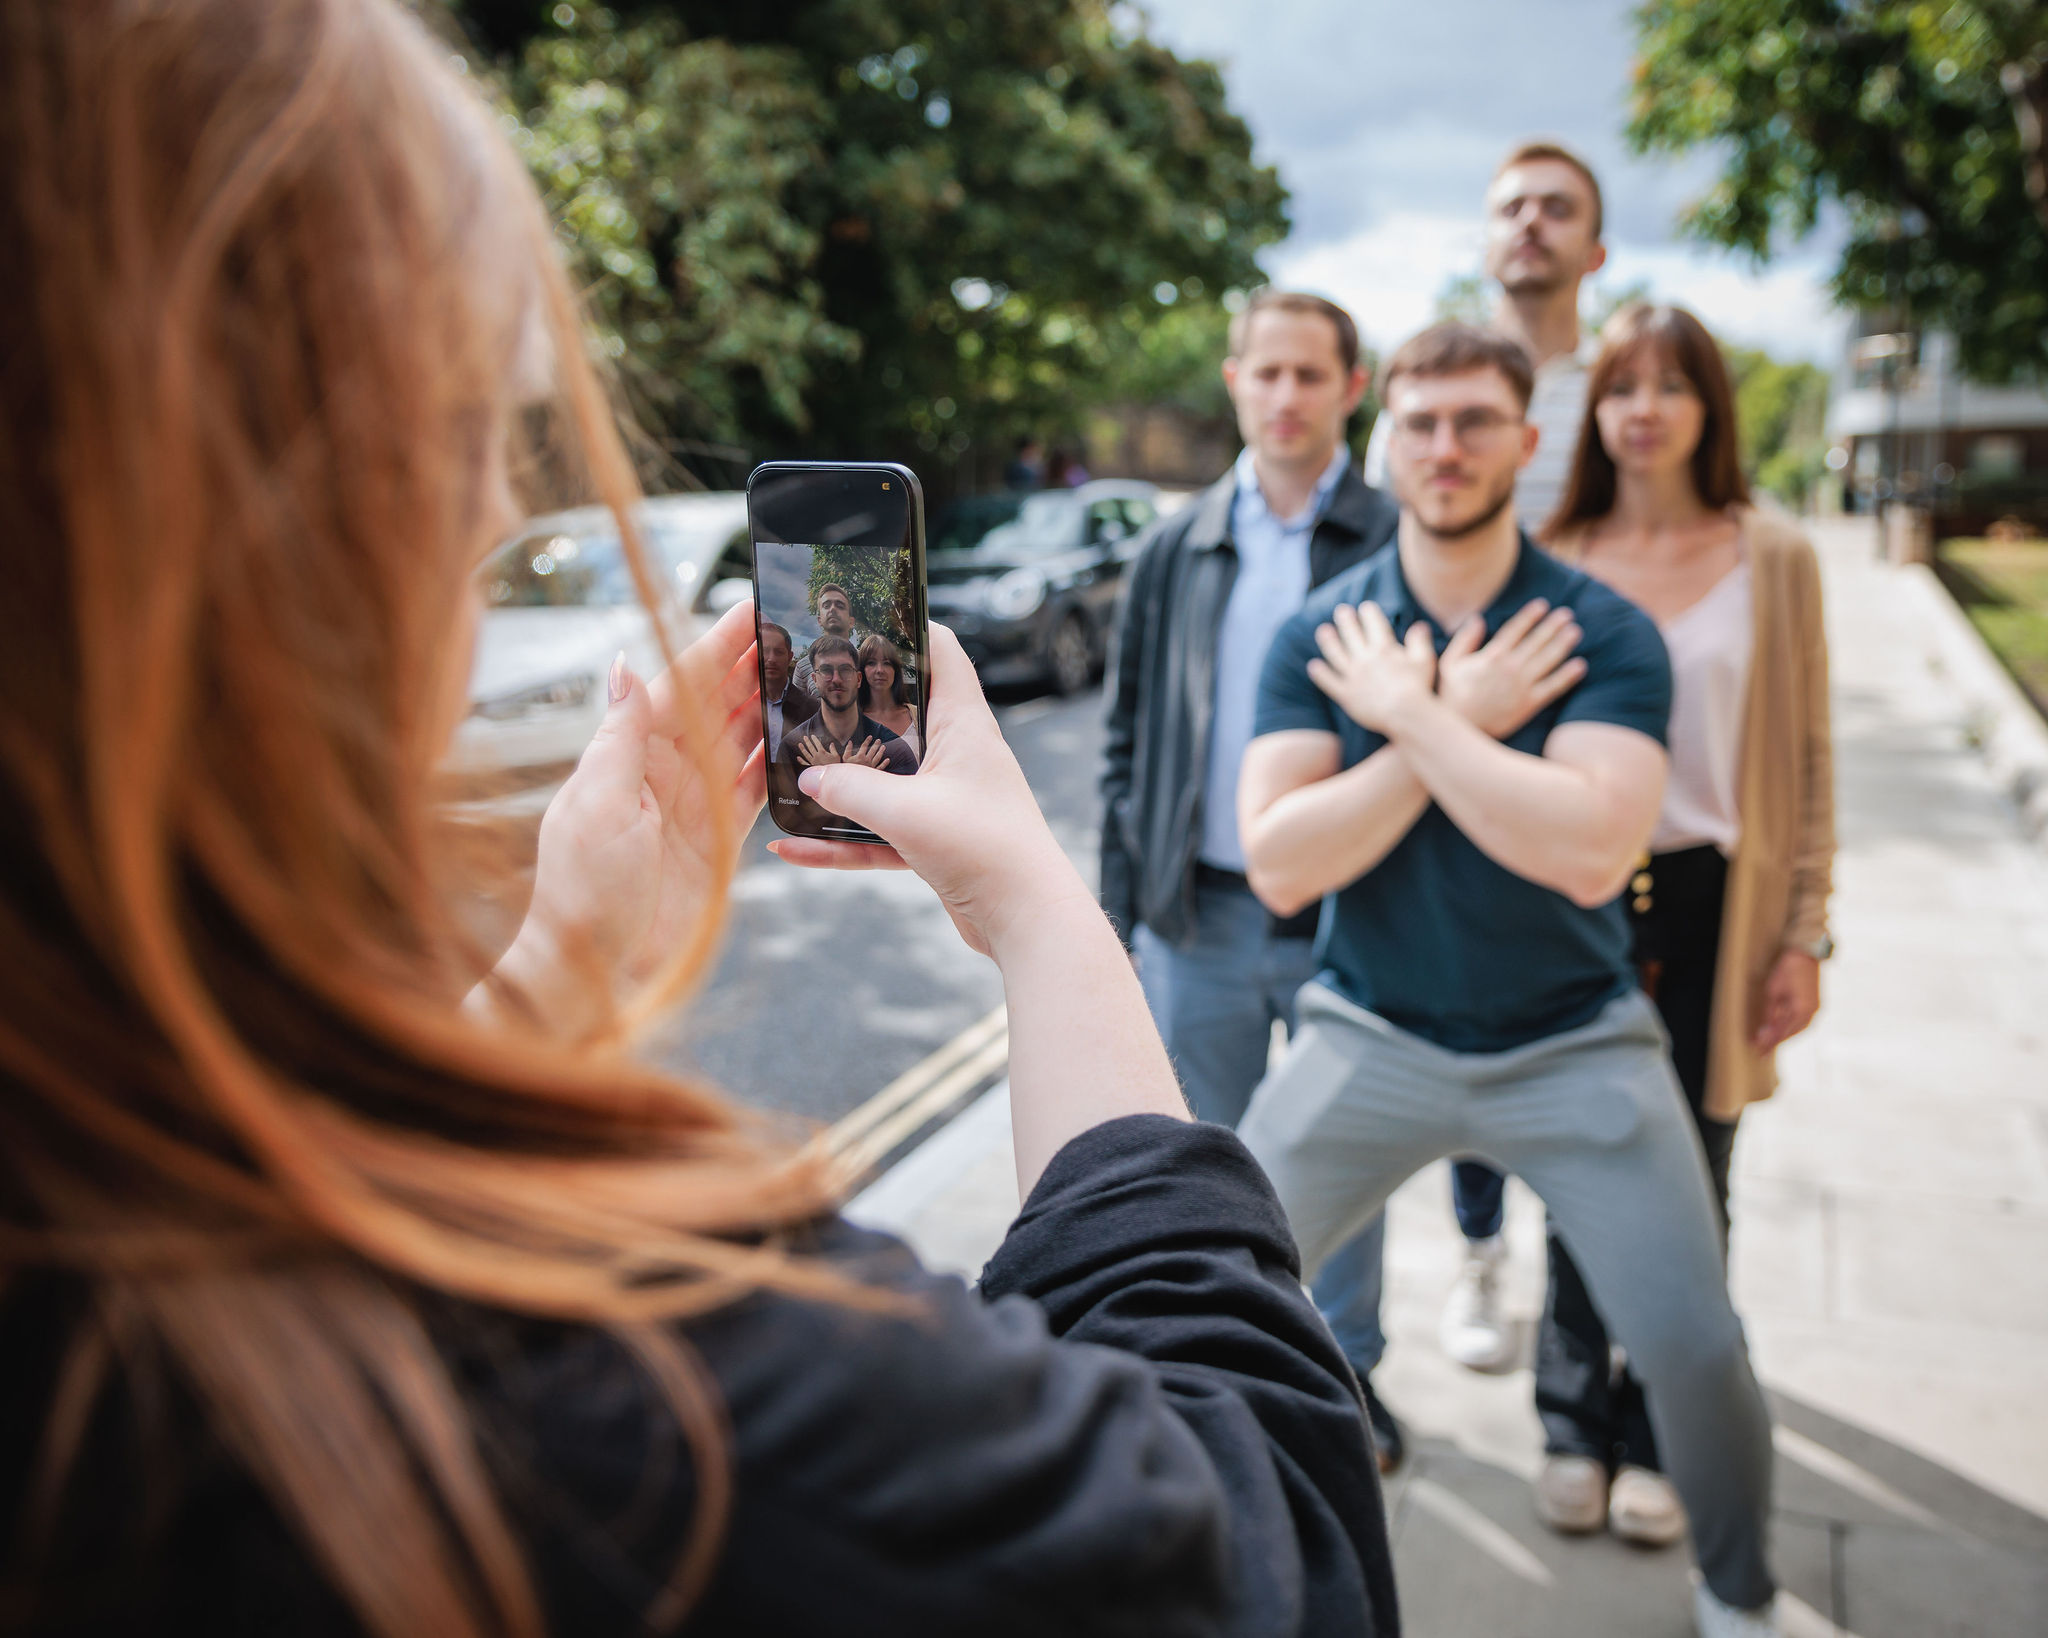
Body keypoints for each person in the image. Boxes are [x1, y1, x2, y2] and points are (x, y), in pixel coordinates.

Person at [0, 6, 1402, 1636]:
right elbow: (1266, 1530)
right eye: (467, 425)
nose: (491, 513)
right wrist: (1040, 910)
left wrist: (562, 964)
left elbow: (291, 1171)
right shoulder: (669, 1392)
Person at [1237, 321, 1784, 1638]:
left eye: (1475, 419)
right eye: (1419, 421)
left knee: (1694, 1346)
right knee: (1206, 1284)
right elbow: (1282, 864)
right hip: (1367, 1032)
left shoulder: (1600, 628)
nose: (1445, 446)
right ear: (1388, 439)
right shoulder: (1325, 631)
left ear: (1527, 441)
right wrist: (1455, 728)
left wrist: (1417, 713)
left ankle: (1739, 1593)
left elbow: (1591, 849)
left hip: (1574, 1042)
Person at [1523, 302, 1835, 1548]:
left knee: (1694, 1172)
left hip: (1716, 897)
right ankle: (1569, 1417)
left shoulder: (1774, 556)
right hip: (1574, 892)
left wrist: (1803, 930)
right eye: (1620, 386)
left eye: (1670, 385)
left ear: (1709, 406)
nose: (1642, 410)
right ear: (1592, 410)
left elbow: (1806, 759)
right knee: (1571, 1160)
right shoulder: (1553, 549)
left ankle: (1658, 1425)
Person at [1098, 288, 1407, 1467]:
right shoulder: (1171, 547)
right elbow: (1126, 746)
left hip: (1348, 913)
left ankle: (1349, 1377)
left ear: (1350, 388)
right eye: (1264, 372)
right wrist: (1118, 923)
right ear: (1233, 381)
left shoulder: (1392, 538)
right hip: (1200, 915)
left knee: (1347, 1162)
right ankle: (1236, 1385)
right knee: (1211, 1168)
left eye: (1308, 374)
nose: (1284, 395)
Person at [1359, 138, 1612, 1374]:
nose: (1528, 225)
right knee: (1457, 1003)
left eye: (1555, 209)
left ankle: (1584, 1336)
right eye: (1509, 206)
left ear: (1593, 248)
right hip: (1446, 721)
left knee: (1572, 1043)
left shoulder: (1617, 390)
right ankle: (1475, 1251)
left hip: (1589, 725)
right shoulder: (1433, 387)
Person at [789, 582, 866, 696]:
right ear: (819, 620)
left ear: (851, 622)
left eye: (840, 606)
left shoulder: (866, 662)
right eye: (826, 606)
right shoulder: (803, 667)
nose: (833, 609)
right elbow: (797, 706)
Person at [757, 621, 818, 761]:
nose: (771, 659)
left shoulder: (811, 709)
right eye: (764, 651)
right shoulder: (739, 705)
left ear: (790, 657)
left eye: (778, 652)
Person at [858, 633, 922, 759]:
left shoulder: (918, 716)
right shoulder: (853, 721)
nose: (880, 670)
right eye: (871, 663)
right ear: (861, 671)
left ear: (895, 670)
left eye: (886, 663)